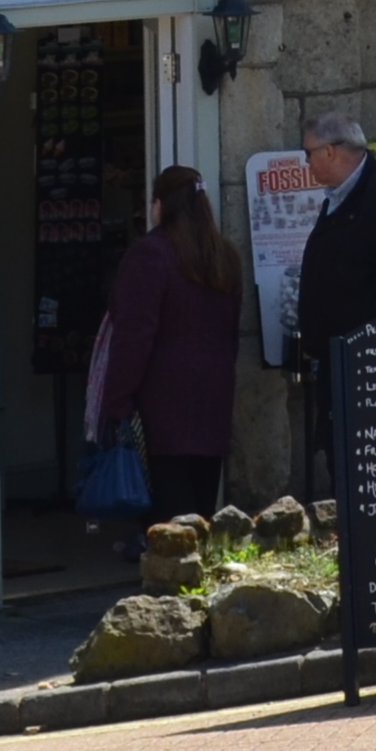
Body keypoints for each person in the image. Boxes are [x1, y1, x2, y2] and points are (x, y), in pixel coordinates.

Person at [286, 110, 376, 495]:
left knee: (372, 479)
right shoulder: (341, 196)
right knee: (345, 468)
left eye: (309, 153)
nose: (306, 162)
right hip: (342, 367)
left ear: (332, 152)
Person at [89, 163, 243, 525]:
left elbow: (134, 337)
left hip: (163, 407)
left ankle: (173, 580)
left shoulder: (151, 255)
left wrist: (116, 402)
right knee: (200, 510)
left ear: (160, 204)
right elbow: (231, 334)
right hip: (213, 398)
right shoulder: (226, 257)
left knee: (167, 519)